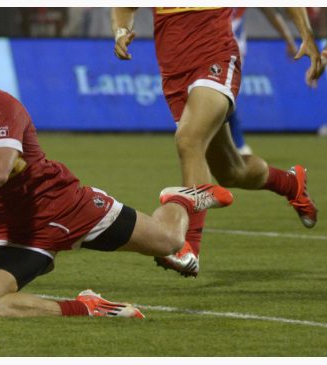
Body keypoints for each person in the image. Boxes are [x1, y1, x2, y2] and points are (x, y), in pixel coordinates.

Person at [0, 44, 233, 318]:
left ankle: (180, 199)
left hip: (65, 205)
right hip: (14, 232)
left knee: (170, 241)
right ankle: (88, 307)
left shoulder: (0, 107)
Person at [111, 7, 321, 277]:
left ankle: (189, 247)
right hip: (173, 70)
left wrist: (307, 35)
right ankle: (291, 183)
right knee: (231, 171)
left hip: (216, 56)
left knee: (189, 140)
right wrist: (120, 31)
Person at [229, 7, 299, 155]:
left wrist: (289, 40)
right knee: (218, 96)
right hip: (207, 46)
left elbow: (270, 12)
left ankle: (238, 144)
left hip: (233, 49)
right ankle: (235, 145)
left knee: (226, 96)